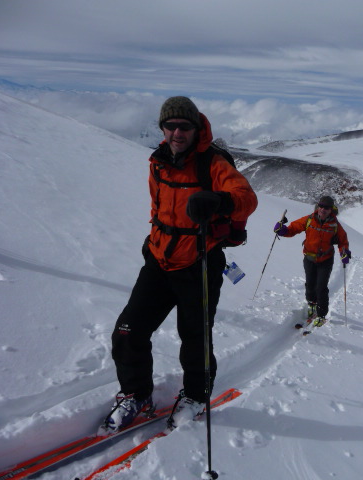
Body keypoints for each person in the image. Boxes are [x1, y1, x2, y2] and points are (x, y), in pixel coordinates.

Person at [104, 96, 257, 432]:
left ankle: (196, 396)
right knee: (128, 330)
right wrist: (155, 244)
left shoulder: (213, 163)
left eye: (183, 126)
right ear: (162, 128)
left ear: (195, 128)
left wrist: (219, 199)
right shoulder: (157, 162)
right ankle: (135, 393)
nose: (176, 132)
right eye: (170, 125)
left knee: (195, 338)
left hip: (200, 262)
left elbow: (247, 198)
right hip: (159, 260)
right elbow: (158, 210)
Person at [273, 195, 351, 326]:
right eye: (321, 206)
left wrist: (344, 253)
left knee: (321, 287)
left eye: (326, 207)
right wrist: (282, 230)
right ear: (318, 206)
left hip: (325, 260)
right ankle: (311, 304)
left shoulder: (335, 225)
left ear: (331, 209)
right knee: (310, 284)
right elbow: (293, 229)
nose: (323, 209)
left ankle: (321, 314)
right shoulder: (309, 219)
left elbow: (343, 241)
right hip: (309, 258)